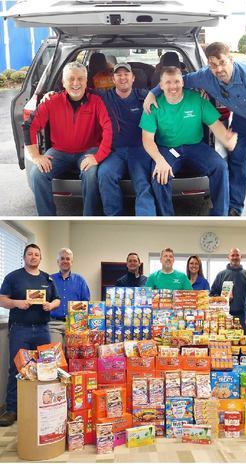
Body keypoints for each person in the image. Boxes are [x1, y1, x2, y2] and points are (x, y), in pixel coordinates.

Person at [144, 42, 246, 216]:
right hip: (241, 119)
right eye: (213, 65)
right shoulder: (204, 77)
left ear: (231, 59)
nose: (218, 69)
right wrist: (152, 93)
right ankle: (234, 207)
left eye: (222, 63)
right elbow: (179, 80)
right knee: (237, 162)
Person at [139, 66, 236, 216]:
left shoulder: (196, 99)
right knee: (159, 177)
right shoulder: (153, 106)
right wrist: (159, 160)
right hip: (168, 149)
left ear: (183, 82)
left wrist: (226, 139)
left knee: (221, 167)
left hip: (196, 147)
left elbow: (215, 126)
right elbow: (147, 139)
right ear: (161, 85)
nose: (173, 86)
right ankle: (167, 221)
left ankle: (219, 217)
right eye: (168, 82)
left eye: (177, 81)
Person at [24, 61, 113, 216]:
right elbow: (29, 127)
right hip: (59, 152)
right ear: (63, 82)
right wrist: (36, 156)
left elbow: (108, 129)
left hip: (88, 150)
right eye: (71, 79)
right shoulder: (51, 101)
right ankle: (48, 219)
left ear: (87, 81)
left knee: (91, 173)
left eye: (80, 79)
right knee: (37, 174)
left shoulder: (96, 101)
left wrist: (98, 157)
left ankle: (89, 219)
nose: (76, 83)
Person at [0, 244, 60, 427]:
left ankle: (41, 405)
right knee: (17, 368)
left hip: (42, 329)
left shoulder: (47, 278)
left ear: (40, 258)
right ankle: (12, 409)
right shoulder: (13, 277)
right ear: (24, 257)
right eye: (30, 254)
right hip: (21, 329)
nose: (33, 257)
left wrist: (51, 306)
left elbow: (57, 299)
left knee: (45, 369)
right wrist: (17, 303)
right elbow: (2, 299)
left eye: (36, 254)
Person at [96, 63, 157, 216]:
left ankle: (146, 220)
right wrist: (50, 94)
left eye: (126, 74)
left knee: (142, 182)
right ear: (113, 79)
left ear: (133, 78)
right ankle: (115, 219)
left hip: (140, 149)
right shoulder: (104, 96)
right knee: (105, 174)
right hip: (115, 151)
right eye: (118, 74)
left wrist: (197, 91)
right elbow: (79, 91)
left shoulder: (144, 96)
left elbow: (170, 91)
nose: (123, 77)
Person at [49, 248, 90, 346]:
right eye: (62, 258)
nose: (65, 261)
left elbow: (86, 303)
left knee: (74, 357)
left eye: (68, 259)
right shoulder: (50, 280)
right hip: (54, 324)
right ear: (58, 261)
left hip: (75, 325)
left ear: (72, 262)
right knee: (56, 356)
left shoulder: (80, 281)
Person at [210, 247, 246, 333]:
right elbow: (212, 294)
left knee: (243, 343)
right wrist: (223, 299)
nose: (235, 257)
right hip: (224, 316)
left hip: (243, 316)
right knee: (225, 342)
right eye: (232, 255)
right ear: (228, 257)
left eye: (237, 255)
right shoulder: (221, 275)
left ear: (241, 257)